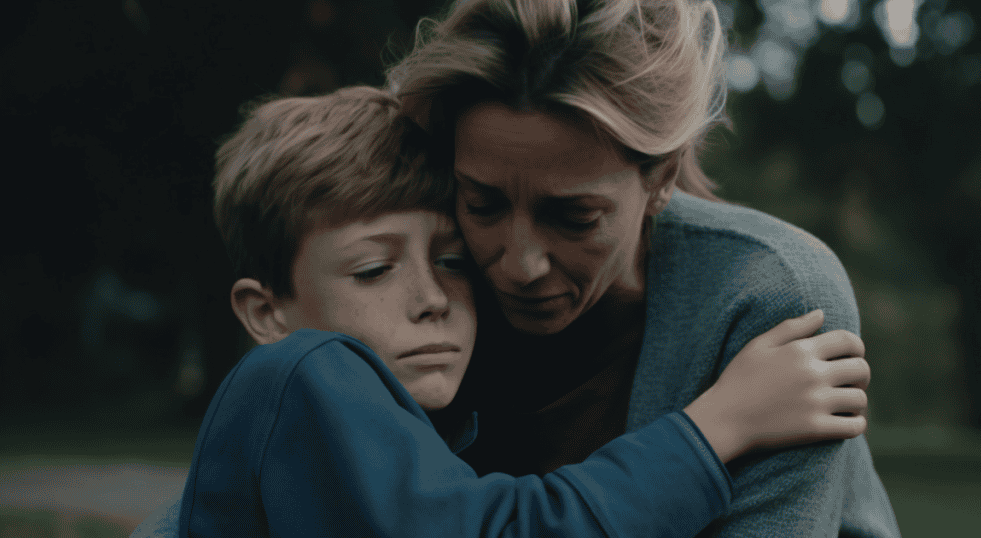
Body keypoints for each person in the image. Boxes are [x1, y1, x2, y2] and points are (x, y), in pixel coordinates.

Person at [130, 85, 870, 537]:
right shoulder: (302, 375)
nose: (430, 299)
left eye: (452, 260)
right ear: (267, 312)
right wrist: (717, 428)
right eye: (373, 269)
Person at [385, 0, 901, 535]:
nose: (520, 266)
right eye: (483, 205)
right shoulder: (415, 286)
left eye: (574, 216)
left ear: (661, 178)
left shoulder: (770, 299)